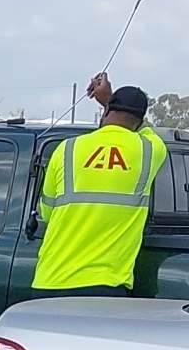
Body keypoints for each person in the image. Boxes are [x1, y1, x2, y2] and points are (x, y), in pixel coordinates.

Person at [29, 73, 169, 297]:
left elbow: (46, 213)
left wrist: (109, 103)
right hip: (105, 285)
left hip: (50, 281)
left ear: (105, 113)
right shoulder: (149, 149)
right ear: (139, 119)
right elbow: (145, 129)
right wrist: (108, 99)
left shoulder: (67, 148)